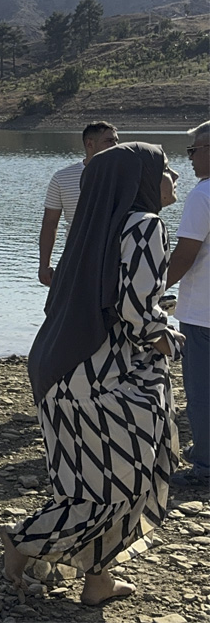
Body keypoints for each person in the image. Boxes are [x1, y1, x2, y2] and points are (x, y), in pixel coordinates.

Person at [5, 142, 184, 605]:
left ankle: (97, 580)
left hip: (58, 366)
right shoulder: (145, 226)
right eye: (166, 168)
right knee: (125, 478)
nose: (176, 176)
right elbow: (136, 311)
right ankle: (23, 541)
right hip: (96, 374)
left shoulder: (92, 228)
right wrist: (168, 338)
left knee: (89, 479)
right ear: (138, 180)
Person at [167, 121, 210, 486]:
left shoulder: (203, 194)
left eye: (194, 151)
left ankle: (206, 465)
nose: (190, 159)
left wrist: (152, 287)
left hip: (203, 313)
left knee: (201, 392)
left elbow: (185, 254)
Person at [38, 121, 120, 286]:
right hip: (76, 259)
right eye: (109, 141)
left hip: (116, 260)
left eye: (116, 141)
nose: (116, 145)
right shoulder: (62, 178)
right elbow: (50, 223)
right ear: (90, 143)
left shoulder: (125, 176)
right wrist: (44, 264)